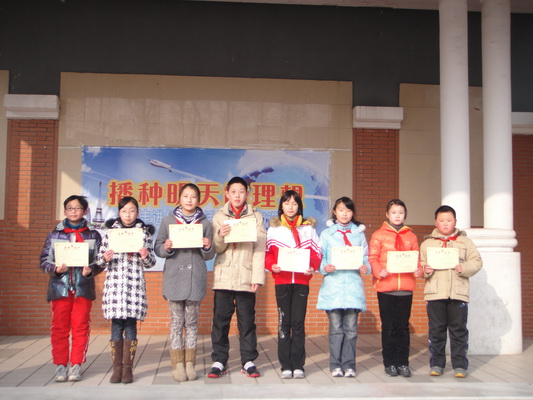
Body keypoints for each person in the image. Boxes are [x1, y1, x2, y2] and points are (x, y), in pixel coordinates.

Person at [154, 183, 215, 382]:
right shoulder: (168, 221)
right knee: (176, 322)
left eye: (193, 196)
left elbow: (209, 255)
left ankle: (190, 363)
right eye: (186, 196)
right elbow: (158, 247)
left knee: (192, 322)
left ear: (199, 200)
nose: (189, 200)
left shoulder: (205, 224)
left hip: (195, 278)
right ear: (179, 198)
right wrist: (166, 247)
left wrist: (208, 246)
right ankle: (177, 363)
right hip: (174, 278)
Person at [208, 177, 266, 378]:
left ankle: (248, 360)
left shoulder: (256, 217)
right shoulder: (218, 217)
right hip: (224, 275)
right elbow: (216, 249)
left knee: (247, 321)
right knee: (220, 321)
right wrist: (220, 235)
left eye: (241, 191)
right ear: (227, 193)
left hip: (246, 276)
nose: (237, 196)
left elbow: (259, 248)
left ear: (247, 193)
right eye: (233, 192)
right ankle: (219, 360)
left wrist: (257, 277)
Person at [40, 195, 102, 382]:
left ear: (85, 211)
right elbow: (44, 261)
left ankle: (76, 365)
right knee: (59, 328)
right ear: (65, 211)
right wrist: (55, 269)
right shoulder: (54, 234)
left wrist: (91, 270)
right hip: (60, 288)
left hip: (83, 288)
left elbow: (100, 262)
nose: (74, 211)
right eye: (70, 208)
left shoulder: (93, 234)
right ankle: (60, 365)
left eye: (77, 208)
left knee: (80, 327)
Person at [96, 196, 156, 384]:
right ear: (119, 213)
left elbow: (151, 262)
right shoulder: (110, 233)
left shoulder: (143, 234)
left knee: (130, 327)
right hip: (115, 287)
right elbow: (99, 261)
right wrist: (105, 258)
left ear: (137, 213)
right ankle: (117, 369)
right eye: (124, 211)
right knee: (116, 327)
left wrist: (145, 255)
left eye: (131, 211)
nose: (128, 215)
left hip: (134, 287)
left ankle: (128, 369)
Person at [420, 205, 482, 378]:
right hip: (435, 293)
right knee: (436, 331)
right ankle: (437, 364)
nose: (445, 223)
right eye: (441, 220)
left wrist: (464, 268)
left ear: (455, 221)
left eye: (449, 220)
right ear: (435, 222)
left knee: (458, 331)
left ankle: (460, 365)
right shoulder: (427, 244)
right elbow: (420, 265)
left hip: (458, 293)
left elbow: (477, 261)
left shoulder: (465, 242)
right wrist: (425, 269)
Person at [265, 190, 321, 379]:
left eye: (294, 203)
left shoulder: (308, 229)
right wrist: (271, 265)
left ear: (299, 207)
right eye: (287, 203)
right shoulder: (274, 230)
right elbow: (267, 253)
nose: (290, 207)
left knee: (298, 324)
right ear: (281, 205)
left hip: (301, 282)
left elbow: (317, 253)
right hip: (282, 281)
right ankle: (285, 365)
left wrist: (312, 267)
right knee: (284, 324)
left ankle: (298, 365)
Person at [317, 197, 371, 378]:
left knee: (351, 329)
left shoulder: (358, 234)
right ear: (334, 211)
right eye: (341, 210)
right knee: (336, 329)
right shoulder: (327, 234)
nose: (344, 213)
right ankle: (335, 365)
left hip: (353, 288)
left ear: (352, 213)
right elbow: (321, 257)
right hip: (334, 287)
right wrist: (325, 267)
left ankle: (349, 365)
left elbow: (365, 257)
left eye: (348, 210)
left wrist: (365, 267)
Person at [369, 199, 421, 378]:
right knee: (388, 327)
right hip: (386, 288)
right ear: (387, 214)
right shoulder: (378, 235)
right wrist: (379, 271)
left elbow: (417, 259)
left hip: (405, 289)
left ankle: (403, 363)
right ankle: (390, 363)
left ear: (405, 215)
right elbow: (373, 257)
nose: (397, 216)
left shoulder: (411, 236)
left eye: (400, 212)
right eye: (394, 212)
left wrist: (418, 270)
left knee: (403, 327)